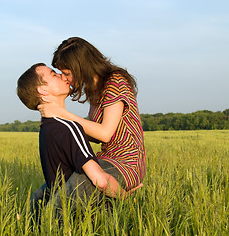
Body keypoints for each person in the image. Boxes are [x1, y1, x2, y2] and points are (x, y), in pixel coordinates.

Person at [16, 63, 142, 225]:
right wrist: (127, 197)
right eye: (54, 74)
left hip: (70, 214)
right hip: (80, 216)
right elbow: (100, 180)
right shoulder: (70, 127)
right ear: (43, 91)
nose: (62, 76)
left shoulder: (47, 128)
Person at [39, 37, 146, 191]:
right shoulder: (95, 90)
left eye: (67, 73)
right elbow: (95, 135)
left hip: (126, 163)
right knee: (43, 194)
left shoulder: (115, 82)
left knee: (67, 193)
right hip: (105, 158)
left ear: (81, 68)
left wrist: (61, 113)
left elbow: (104, 134)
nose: (64, 78)